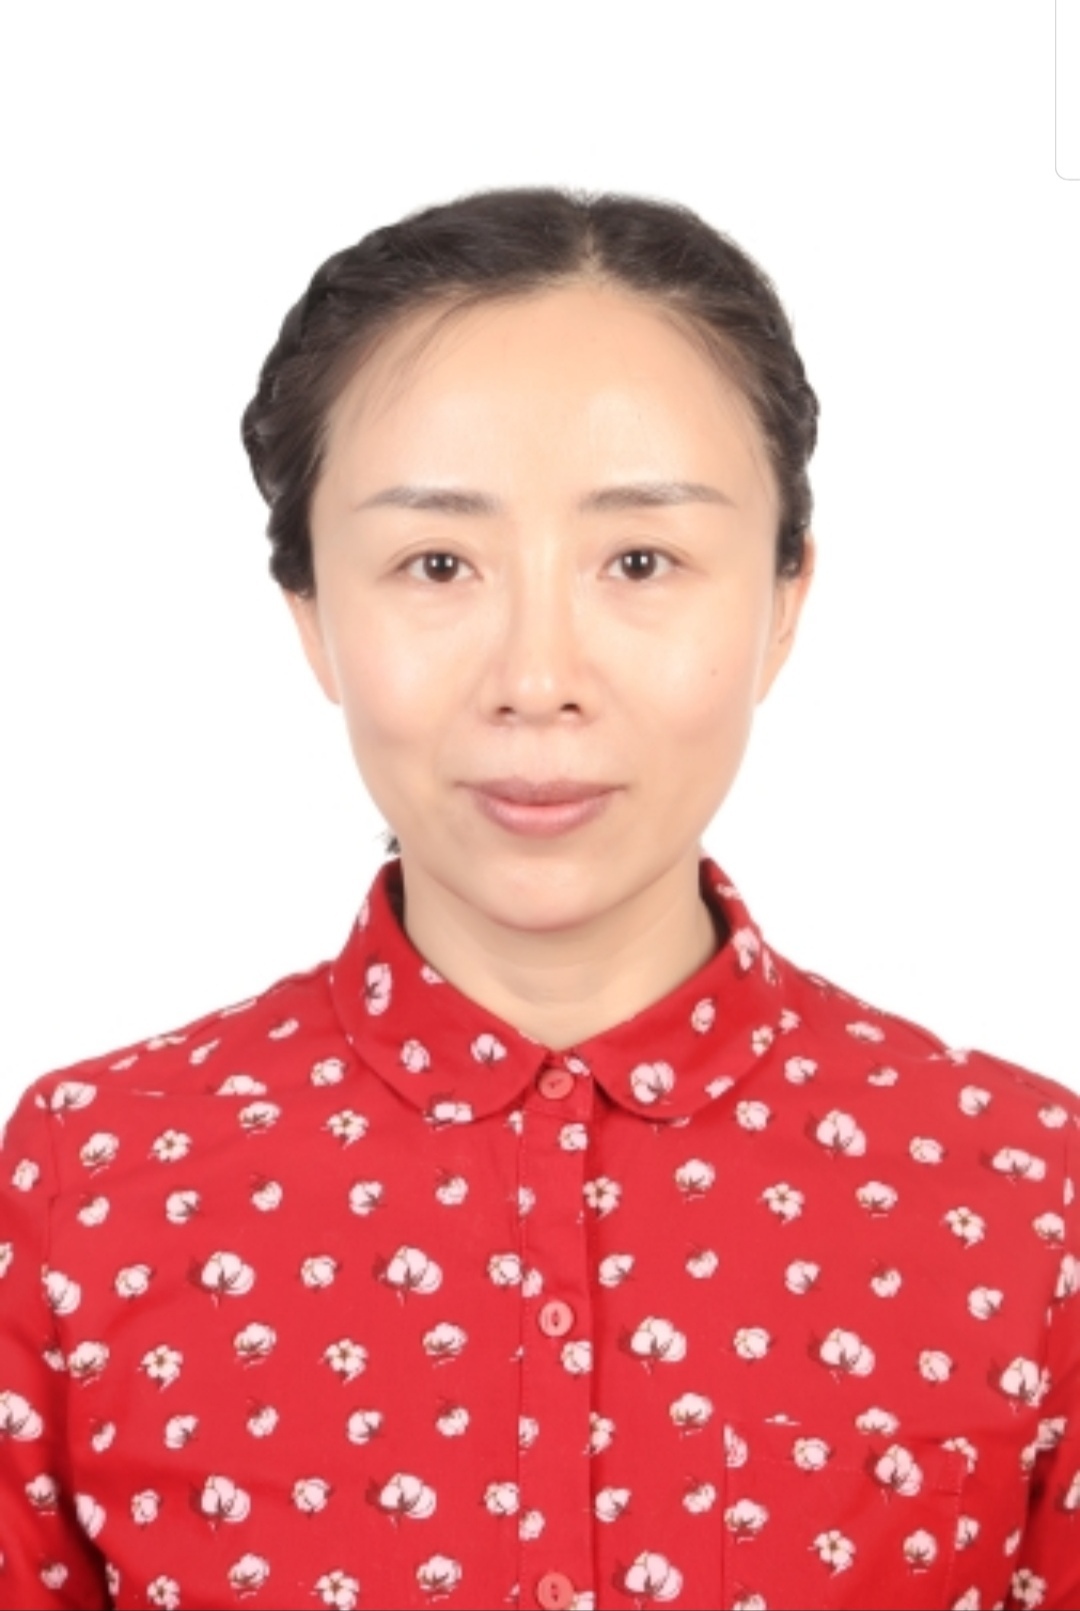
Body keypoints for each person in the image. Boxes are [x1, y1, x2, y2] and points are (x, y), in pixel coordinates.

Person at [0, 186, 1076, 1611]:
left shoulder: (1027, 1195)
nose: (538, 677)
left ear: (784, 600)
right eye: (437, 563)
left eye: (641, 561)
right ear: (313, 612)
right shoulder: (88, 1183)